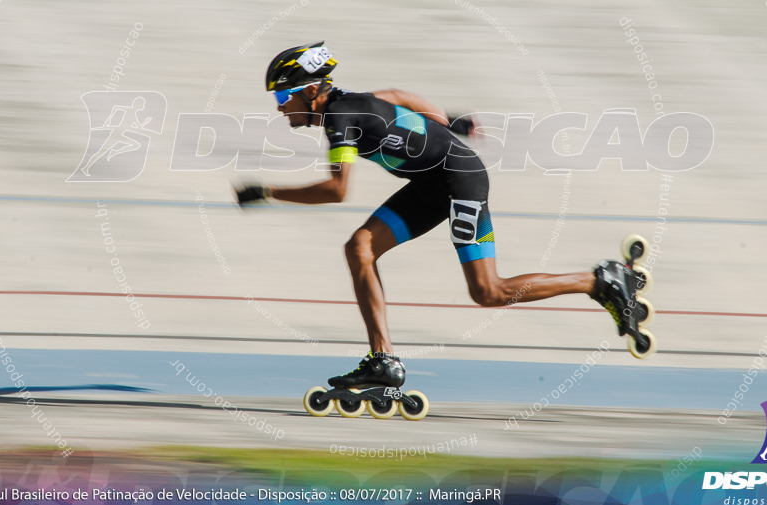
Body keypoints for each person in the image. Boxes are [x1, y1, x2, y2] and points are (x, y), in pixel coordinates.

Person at [235, 41, 651, 392]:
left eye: (281, 97)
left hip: (460, 183)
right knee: (359, 248)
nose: (278, 109)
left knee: (489, 292)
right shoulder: (350, 102)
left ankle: (601, 280)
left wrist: (269, 192)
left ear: (309, 91)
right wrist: (448, 120)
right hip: (433, 184)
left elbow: (337, 191)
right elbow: (398, 95)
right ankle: (383, 360)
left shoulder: (340, 121)